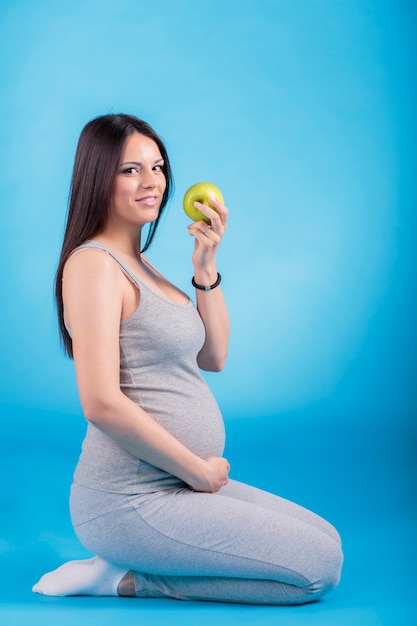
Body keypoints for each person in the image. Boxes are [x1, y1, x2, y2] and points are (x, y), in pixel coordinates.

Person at [32, 113, 343, 604]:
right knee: (316, 571)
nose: (151, 181)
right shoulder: (93, 265)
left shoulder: (144, 265)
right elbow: (100, 403)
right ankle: (119, 578)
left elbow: (214, 356)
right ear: (97, 177)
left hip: (176, 486)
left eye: (156, 166)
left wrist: (206, 266)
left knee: (327, 540)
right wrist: (197, 471)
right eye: (129, 170)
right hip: (128, 502)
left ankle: (128, 564)